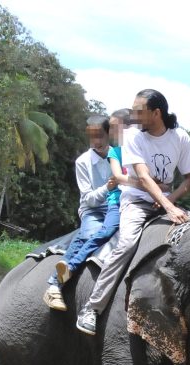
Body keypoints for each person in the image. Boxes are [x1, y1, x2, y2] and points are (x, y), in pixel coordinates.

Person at [75, 89, 190, 335]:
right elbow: (142, 177)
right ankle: (92, 308)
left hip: (166, 202)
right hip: (136, 202)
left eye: (138, 111)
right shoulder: (133, 136)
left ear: (156, 113)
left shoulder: (180, 137)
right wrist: (167, 206)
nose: (133, 116)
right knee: (127, 244)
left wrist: (171, 199)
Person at [43, 115, 117, 311]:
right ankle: (55, 284)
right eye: (92, 137)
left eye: (100, 136)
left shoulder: (118, 155)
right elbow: (89, 199)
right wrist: (108, 188)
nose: (97, 142)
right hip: (93, 209)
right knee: (90, 234)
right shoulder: (83, 162)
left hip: (116, 206)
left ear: (109, 134)